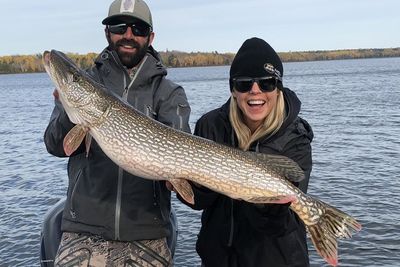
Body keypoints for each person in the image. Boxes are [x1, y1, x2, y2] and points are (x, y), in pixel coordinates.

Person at [44, 0, 191, 266]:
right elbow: (55, 145)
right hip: (83, 231)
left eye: (138, 28)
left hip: (148, 234)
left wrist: (180, 178)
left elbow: (180, 151)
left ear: (151, 36)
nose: (128, 35)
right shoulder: (88, 81)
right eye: (119, 26)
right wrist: (69, 110)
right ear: (107, 33)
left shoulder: (168, 93)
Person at [175, 37, 314, 267]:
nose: (255, 91)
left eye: (267, 83)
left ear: (278, 88)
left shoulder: (295, 137)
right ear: (233, 90)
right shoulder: (211, 125)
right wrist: (180, 180)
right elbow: (198, 201)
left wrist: (271, 208)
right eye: (244, 83)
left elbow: (280, 226)